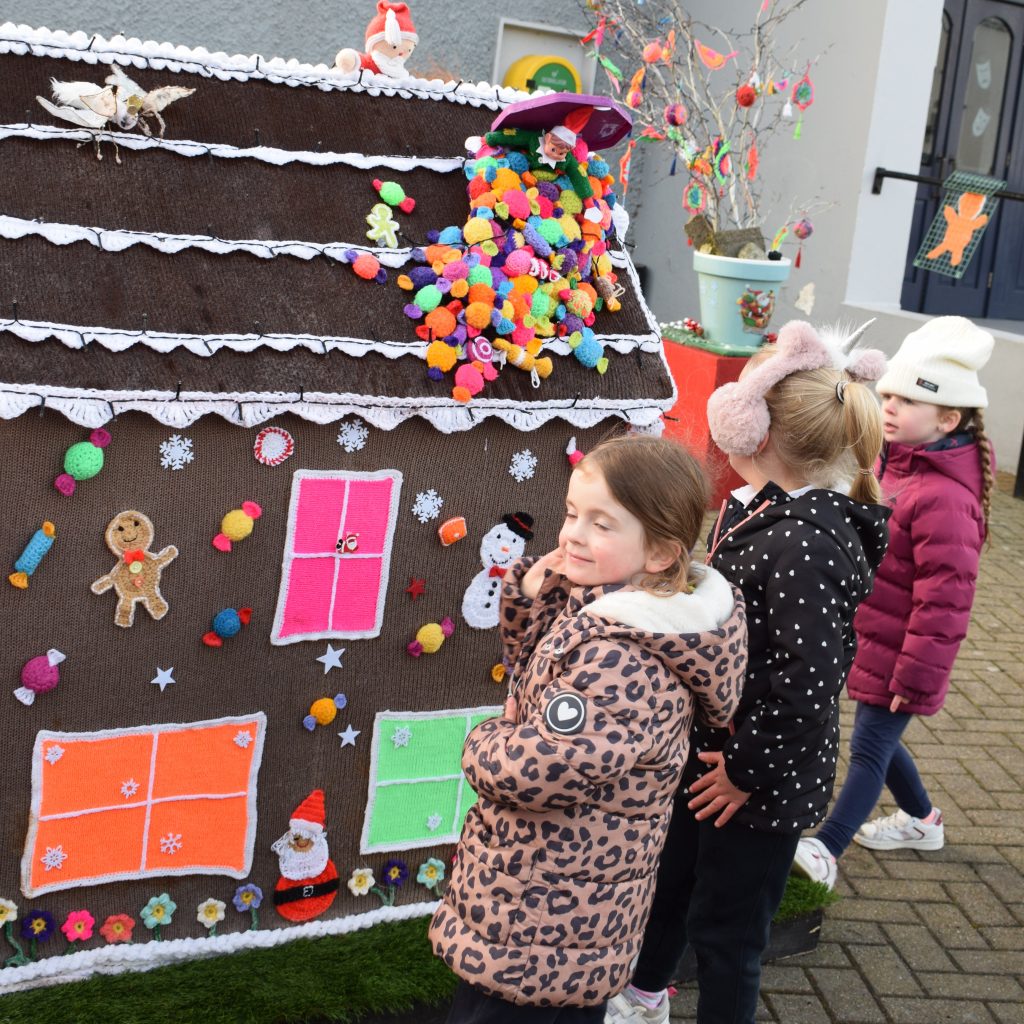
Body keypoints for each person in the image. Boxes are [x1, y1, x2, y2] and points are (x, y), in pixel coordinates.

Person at [608, 320, 890, 1024]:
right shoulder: (764, 511)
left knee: (729, 935)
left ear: (754, 431)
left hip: (758, 781)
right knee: (670, 886)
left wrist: (744, 771)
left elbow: (808, 686)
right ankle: (645, 996)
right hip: (714, 758)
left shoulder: (802, 543)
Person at [429, 434, 748, 1024]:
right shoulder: (627, 612)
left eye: (602, 524)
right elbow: (549, 673)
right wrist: (536, 594)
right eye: (574, 513)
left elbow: (540, 767)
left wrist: (481, 742)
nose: (573, 533)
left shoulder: (624, 657)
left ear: (657, 553)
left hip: (540, 917)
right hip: (566, 915)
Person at [793, 316, 994, 889]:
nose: (889, 407)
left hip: (905, 652)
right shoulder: (893, 465)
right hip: (874, 639)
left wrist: (917, 675)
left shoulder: (946, 499)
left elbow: (945, 603)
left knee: (871, 743)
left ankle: (826, 850)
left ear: (948, 419)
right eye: (886, 395)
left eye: (906, 400)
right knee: (882, 738)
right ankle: (923, 819)